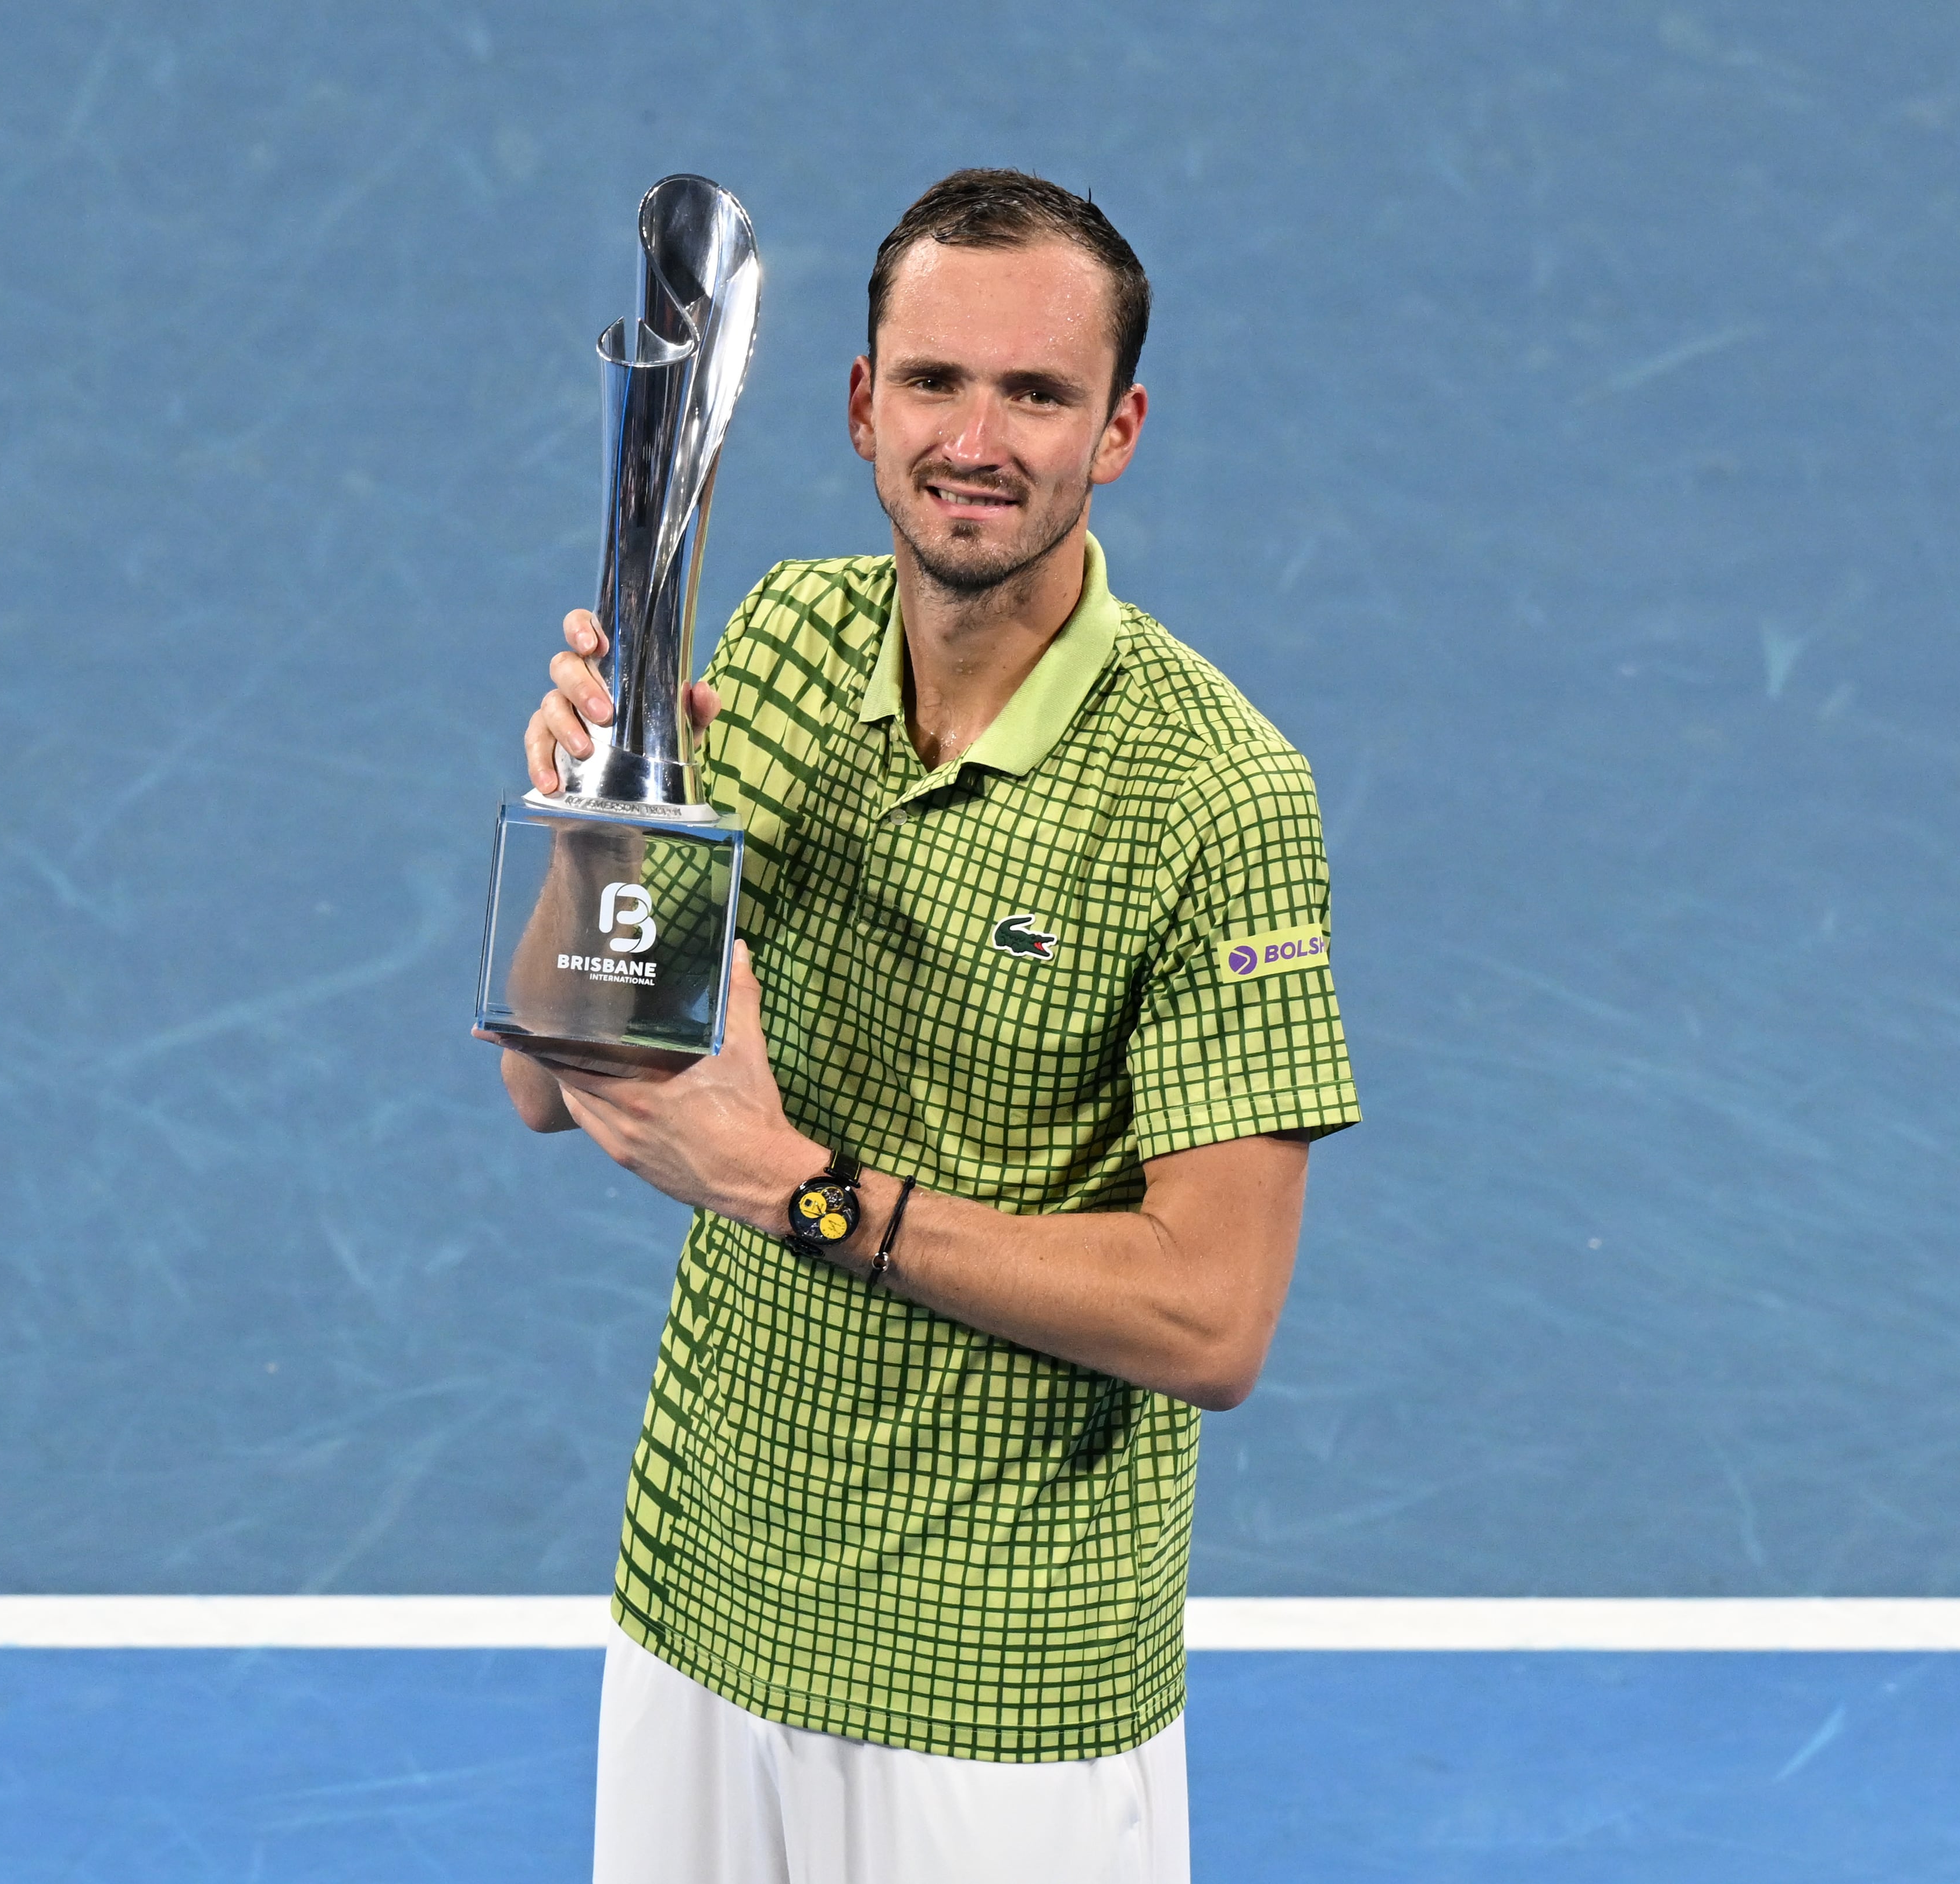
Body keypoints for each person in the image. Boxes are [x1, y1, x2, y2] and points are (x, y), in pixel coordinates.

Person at [501, 168, 1359, 1884]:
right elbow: (552, 1074)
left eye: (1037, 393)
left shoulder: (1217, 792)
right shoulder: (780, 640)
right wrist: (603, 813)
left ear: (1116, 429)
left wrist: (806, 1189)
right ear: (858, 404)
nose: (979, 438)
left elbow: (1214, 1316)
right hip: (704, 1605)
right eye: (934, 382)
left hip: (1003, 1692)